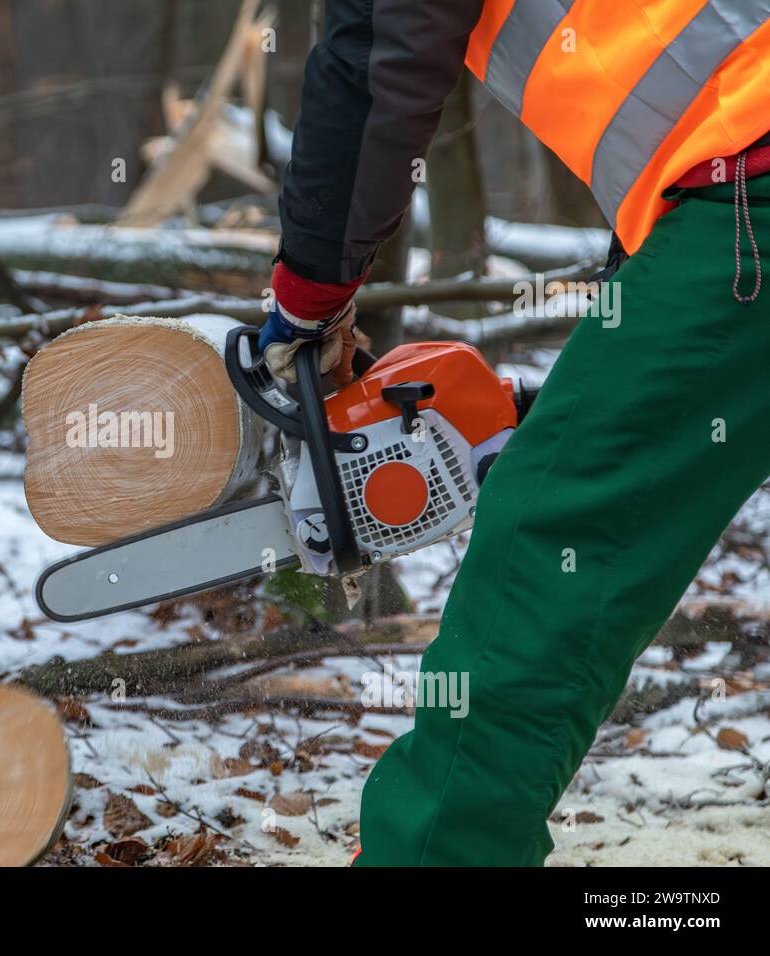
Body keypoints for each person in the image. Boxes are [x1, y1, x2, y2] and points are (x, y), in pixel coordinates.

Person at [258, 0, 769, 865]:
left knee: (552, 528)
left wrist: (308, 296)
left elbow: (380, 53)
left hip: (745, 191)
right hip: (721, 182)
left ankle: (438, 853)